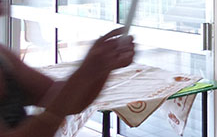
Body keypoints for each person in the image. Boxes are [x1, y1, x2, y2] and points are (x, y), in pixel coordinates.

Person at [0, 28, 135, 136]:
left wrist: (102, 67)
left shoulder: (3, 56)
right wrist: (85, 74)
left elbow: (71, 103)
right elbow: (62, 102)